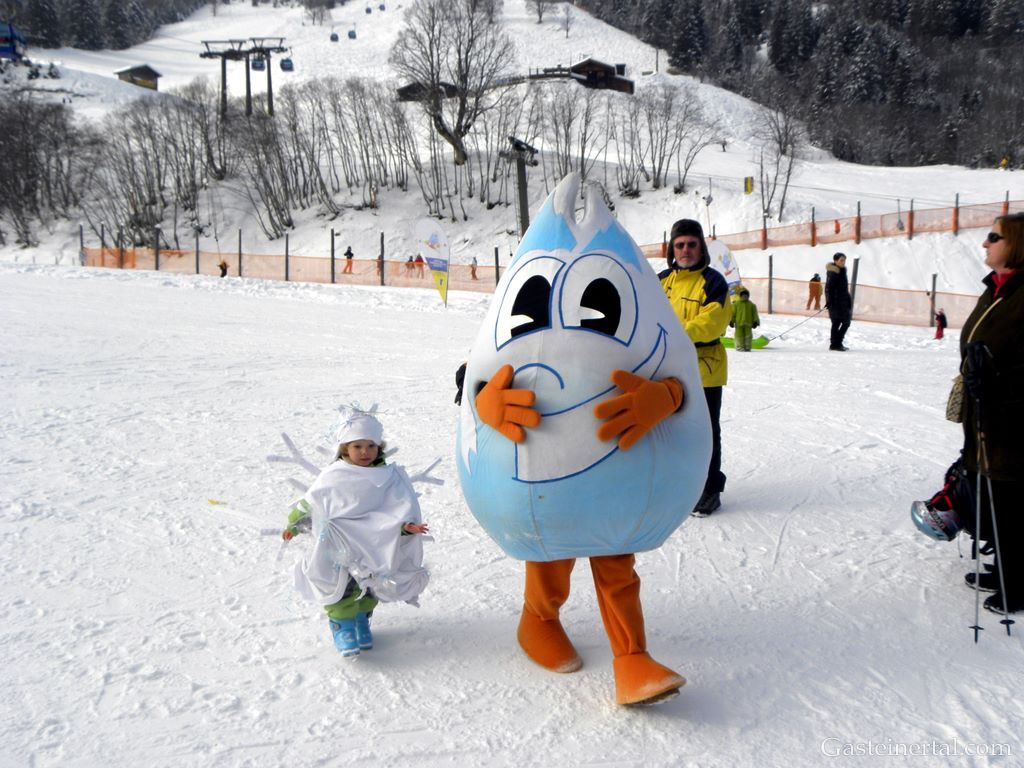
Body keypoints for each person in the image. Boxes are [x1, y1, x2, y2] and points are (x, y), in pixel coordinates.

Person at [283, 409, 430, 656]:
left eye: (371, 445)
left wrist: (405, 528)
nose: (365, 452)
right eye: (357, 446)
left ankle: (362, 618)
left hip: (373, 545)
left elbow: (395, 510)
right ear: (345, 448)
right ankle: (343, 627)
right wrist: (293, 524)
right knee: (343, 585)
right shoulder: (335, 476)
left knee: (371, 585)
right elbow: (312, 501)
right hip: (338, 544)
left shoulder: (388, 477)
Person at [957, 215, 1024, 615]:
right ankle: (1004, 570)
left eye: (994, 237)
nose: (985, 244)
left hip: (1014, 420)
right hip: (985, 415)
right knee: (994, 493)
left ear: (1017, 244)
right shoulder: (996, 289)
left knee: (1014, 498)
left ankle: (1019, 581)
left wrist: (997, 379)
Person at [659, 218, 732, 516]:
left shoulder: (714, 282)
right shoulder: (660, 281)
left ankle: (709, 489)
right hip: (666, 369)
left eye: (691, 244)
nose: (685, 250)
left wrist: (673, 334)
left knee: (704, 432)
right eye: (679, 245)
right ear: (672, 250)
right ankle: (679, 485)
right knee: (668, 430)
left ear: (701, 247)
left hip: (704, 369)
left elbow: (713, 322)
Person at [825, 252, 853, 351]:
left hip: (843, 302)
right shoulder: (833, 273)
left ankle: (836, 343)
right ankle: (835, 344)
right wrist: (829, 301)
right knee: (838, 323)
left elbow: (844, 289)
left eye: (844, 260)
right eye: (841, 260)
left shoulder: (842, 271)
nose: (843, 262)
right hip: (835, 303)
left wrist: (848, 300)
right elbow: (829, 288)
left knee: (845, 322)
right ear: (835, 261)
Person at [730, 287, 760, 351]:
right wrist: (731, 321)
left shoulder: (751, 305)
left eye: (746, 295)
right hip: (739, 323)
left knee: (748, 336)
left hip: (748, 323)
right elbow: (733, 314)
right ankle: (739, 347)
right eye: (743, 295)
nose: (744, 297)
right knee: (739, 336)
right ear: (740, 296)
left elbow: (755, 314)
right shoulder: (736, 304)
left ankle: (747, 347)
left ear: (748, 296)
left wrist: (755, 321)